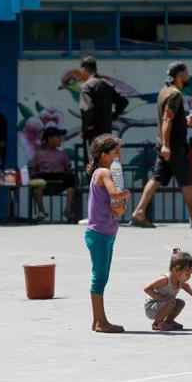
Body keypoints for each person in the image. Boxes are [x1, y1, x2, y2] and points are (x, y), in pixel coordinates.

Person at [130, 62, 192, 229]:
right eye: (186, 72)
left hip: (167, 145)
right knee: (186, 181)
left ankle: (139, 212)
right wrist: (167, 146)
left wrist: (185, 122)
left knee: (156, 178)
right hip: (175, 147)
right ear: (180, 74)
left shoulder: (164, 91)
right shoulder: (175, 94)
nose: (188, 74)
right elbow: (167, 119)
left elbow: (171, 119)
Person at [85, 134, 131, 333]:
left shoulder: (102, 172)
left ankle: (97, 321)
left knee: (102, 276)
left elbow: (115, 207)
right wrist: (126, 193)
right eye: (115, 152)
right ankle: (101, 321)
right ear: (104, 155)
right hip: (100, 233)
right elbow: (115, 194)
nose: (118, 156)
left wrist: (121, 204)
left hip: (104, 232)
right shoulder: (104, 172)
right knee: (100, 277)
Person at [143, 248, 192, 331]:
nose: (189, 277)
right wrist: (162, 298)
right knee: (172, 301)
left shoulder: (181, 283)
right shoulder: (165, 279)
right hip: (152, 307)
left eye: (190, 274)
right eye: (187, 274)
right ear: (176, 270)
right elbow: (147, 289)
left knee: (180, 303)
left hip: (165, 304)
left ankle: (169, 321)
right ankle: (156, 323)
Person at [79, 56, 129, 156]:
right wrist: (112, 116)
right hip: (107, 133)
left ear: (84, 69)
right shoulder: (107, 84)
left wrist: (86, 127)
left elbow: (87, 108)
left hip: (93, 135)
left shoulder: (87, 86)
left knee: (93, 165)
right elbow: (123, 102)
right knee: (105, 164)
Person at [29, 126, 77, 223]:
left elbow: (68, 169)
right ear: (49, 138)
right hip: (44, 179)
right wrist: (35, 175)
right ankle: (41, 211)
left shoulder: (62, 154)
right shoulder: (39, 154)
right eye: (58, 137)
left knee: (72, 178)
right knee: (36, 180)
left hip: (59, 179)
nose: (60, 139)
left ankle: (67, 210)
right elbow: (33, 170)